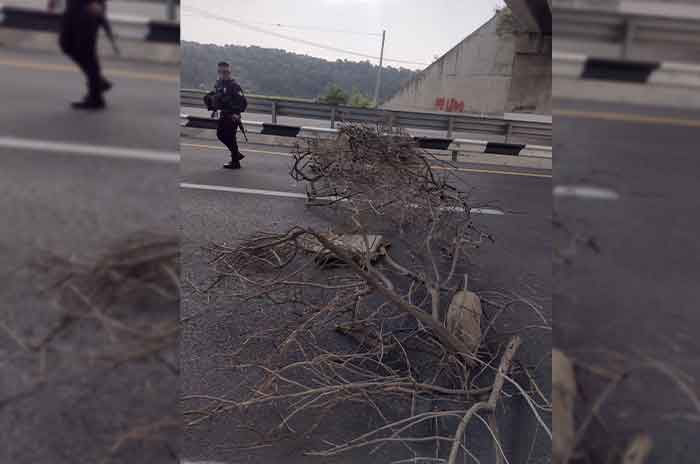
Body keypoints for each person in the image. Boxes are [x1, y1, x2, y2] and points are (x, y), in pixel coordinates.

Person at [48, 0, 113, 110]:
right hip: (74, 5)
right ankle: (98, 82)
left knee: (86, 51)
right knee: (66, 44)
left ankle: (95, 98)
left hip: (88, 7)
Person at [211, 62, 247, 170]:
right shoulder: (218, 83)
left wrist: (236, 113)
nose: (223, 74)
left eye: (226, 72)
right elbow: (217, 97)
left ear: (229, 72)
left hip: (232, 116)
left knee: (231, 137)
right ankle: (236, 154)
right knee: (220, 135)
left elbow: (243, 103)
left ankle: (235, 162)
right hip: (223, 114)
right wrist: (214, 108)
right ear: (218, 72)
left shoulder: (234, 86)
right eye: (220, 71)